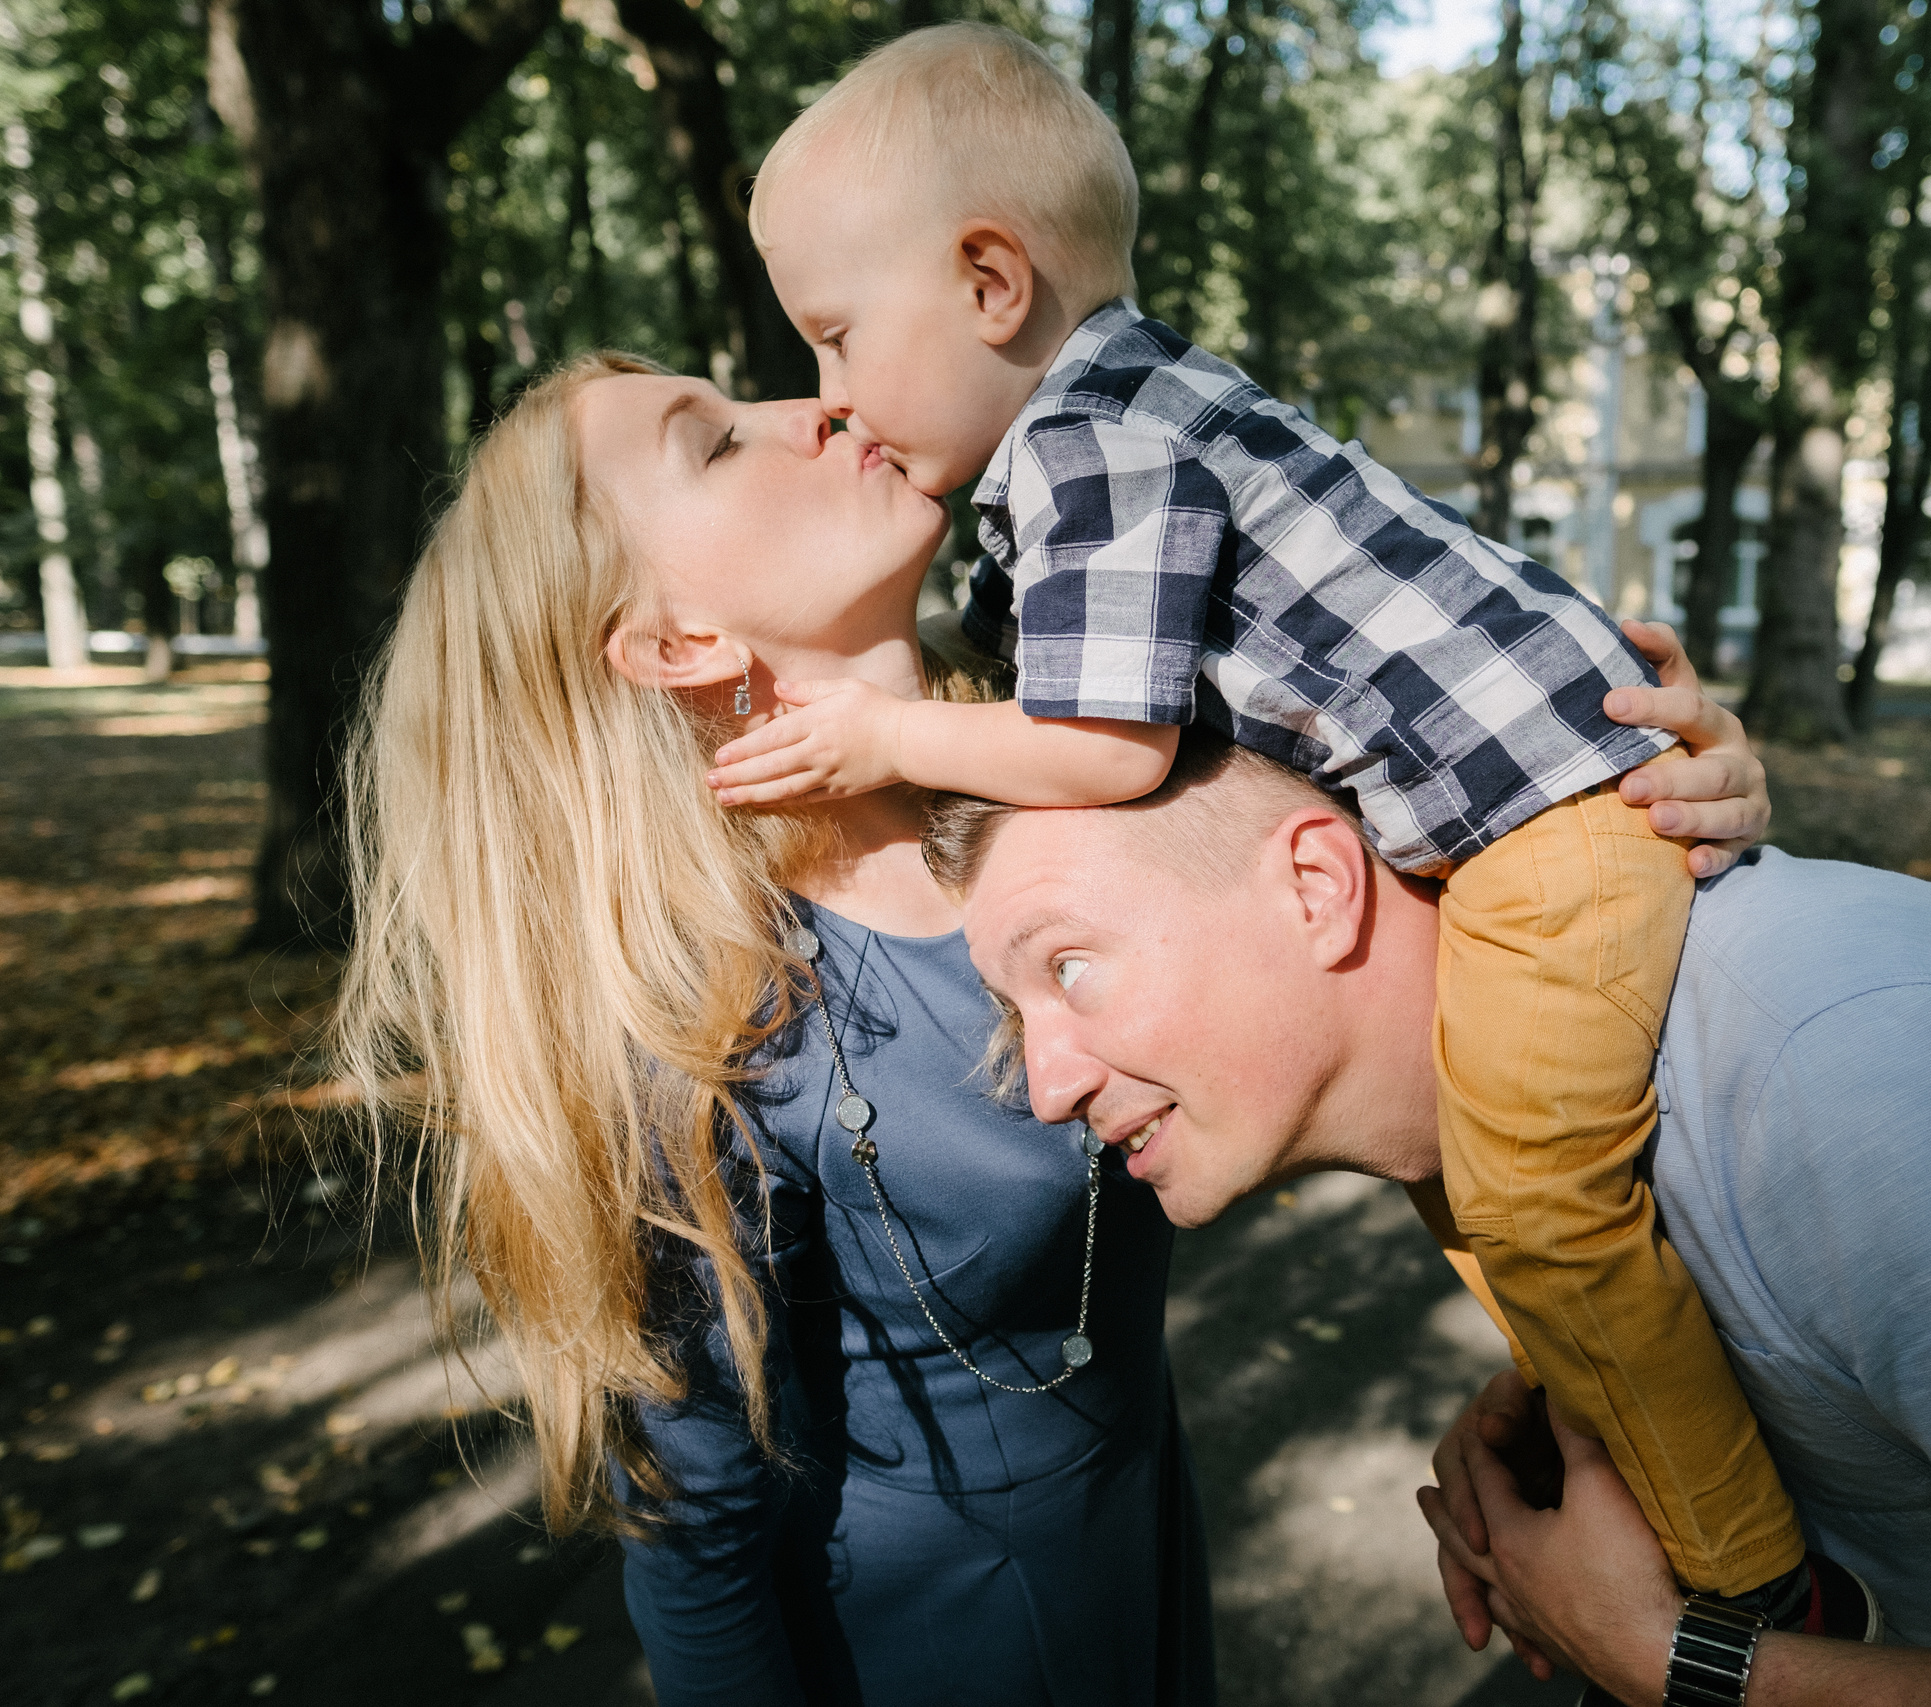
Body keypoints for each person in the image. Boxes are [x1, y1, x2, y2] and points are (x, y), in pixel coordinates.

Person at [328, 353, 1769, 1704]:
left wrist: (1658, 781)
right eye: (714, 440)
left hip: (1147, 1542)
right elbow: (696, 1534)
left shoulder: (1115, 757)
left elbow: (1462, 857)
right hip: (930, 1643)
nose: (813, 402)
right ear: (672, 640)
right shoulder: (707, 1027)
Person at [704, 19, 1855, 1630]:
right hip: (1521, 808)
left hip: (1545, 818)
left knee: (1526, 1193)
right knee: (1485, 1196)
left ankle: (1761, 1585)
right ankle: (1662, 1497)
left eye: (831, 339)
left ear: (989, 285)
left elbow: (1107, 741)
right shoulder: (1096, 448)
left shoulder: (1090, 442)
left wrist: (885, 726)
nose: (824, 396)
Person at [924, 732, 1931, 1707]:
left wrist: (1685, 1669)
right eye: (1009, 1020)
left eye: (1068, 968)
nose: (1046, 1080)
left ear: (1316, 880)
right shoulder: (1514, 1164)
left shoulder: (1857, 1085)